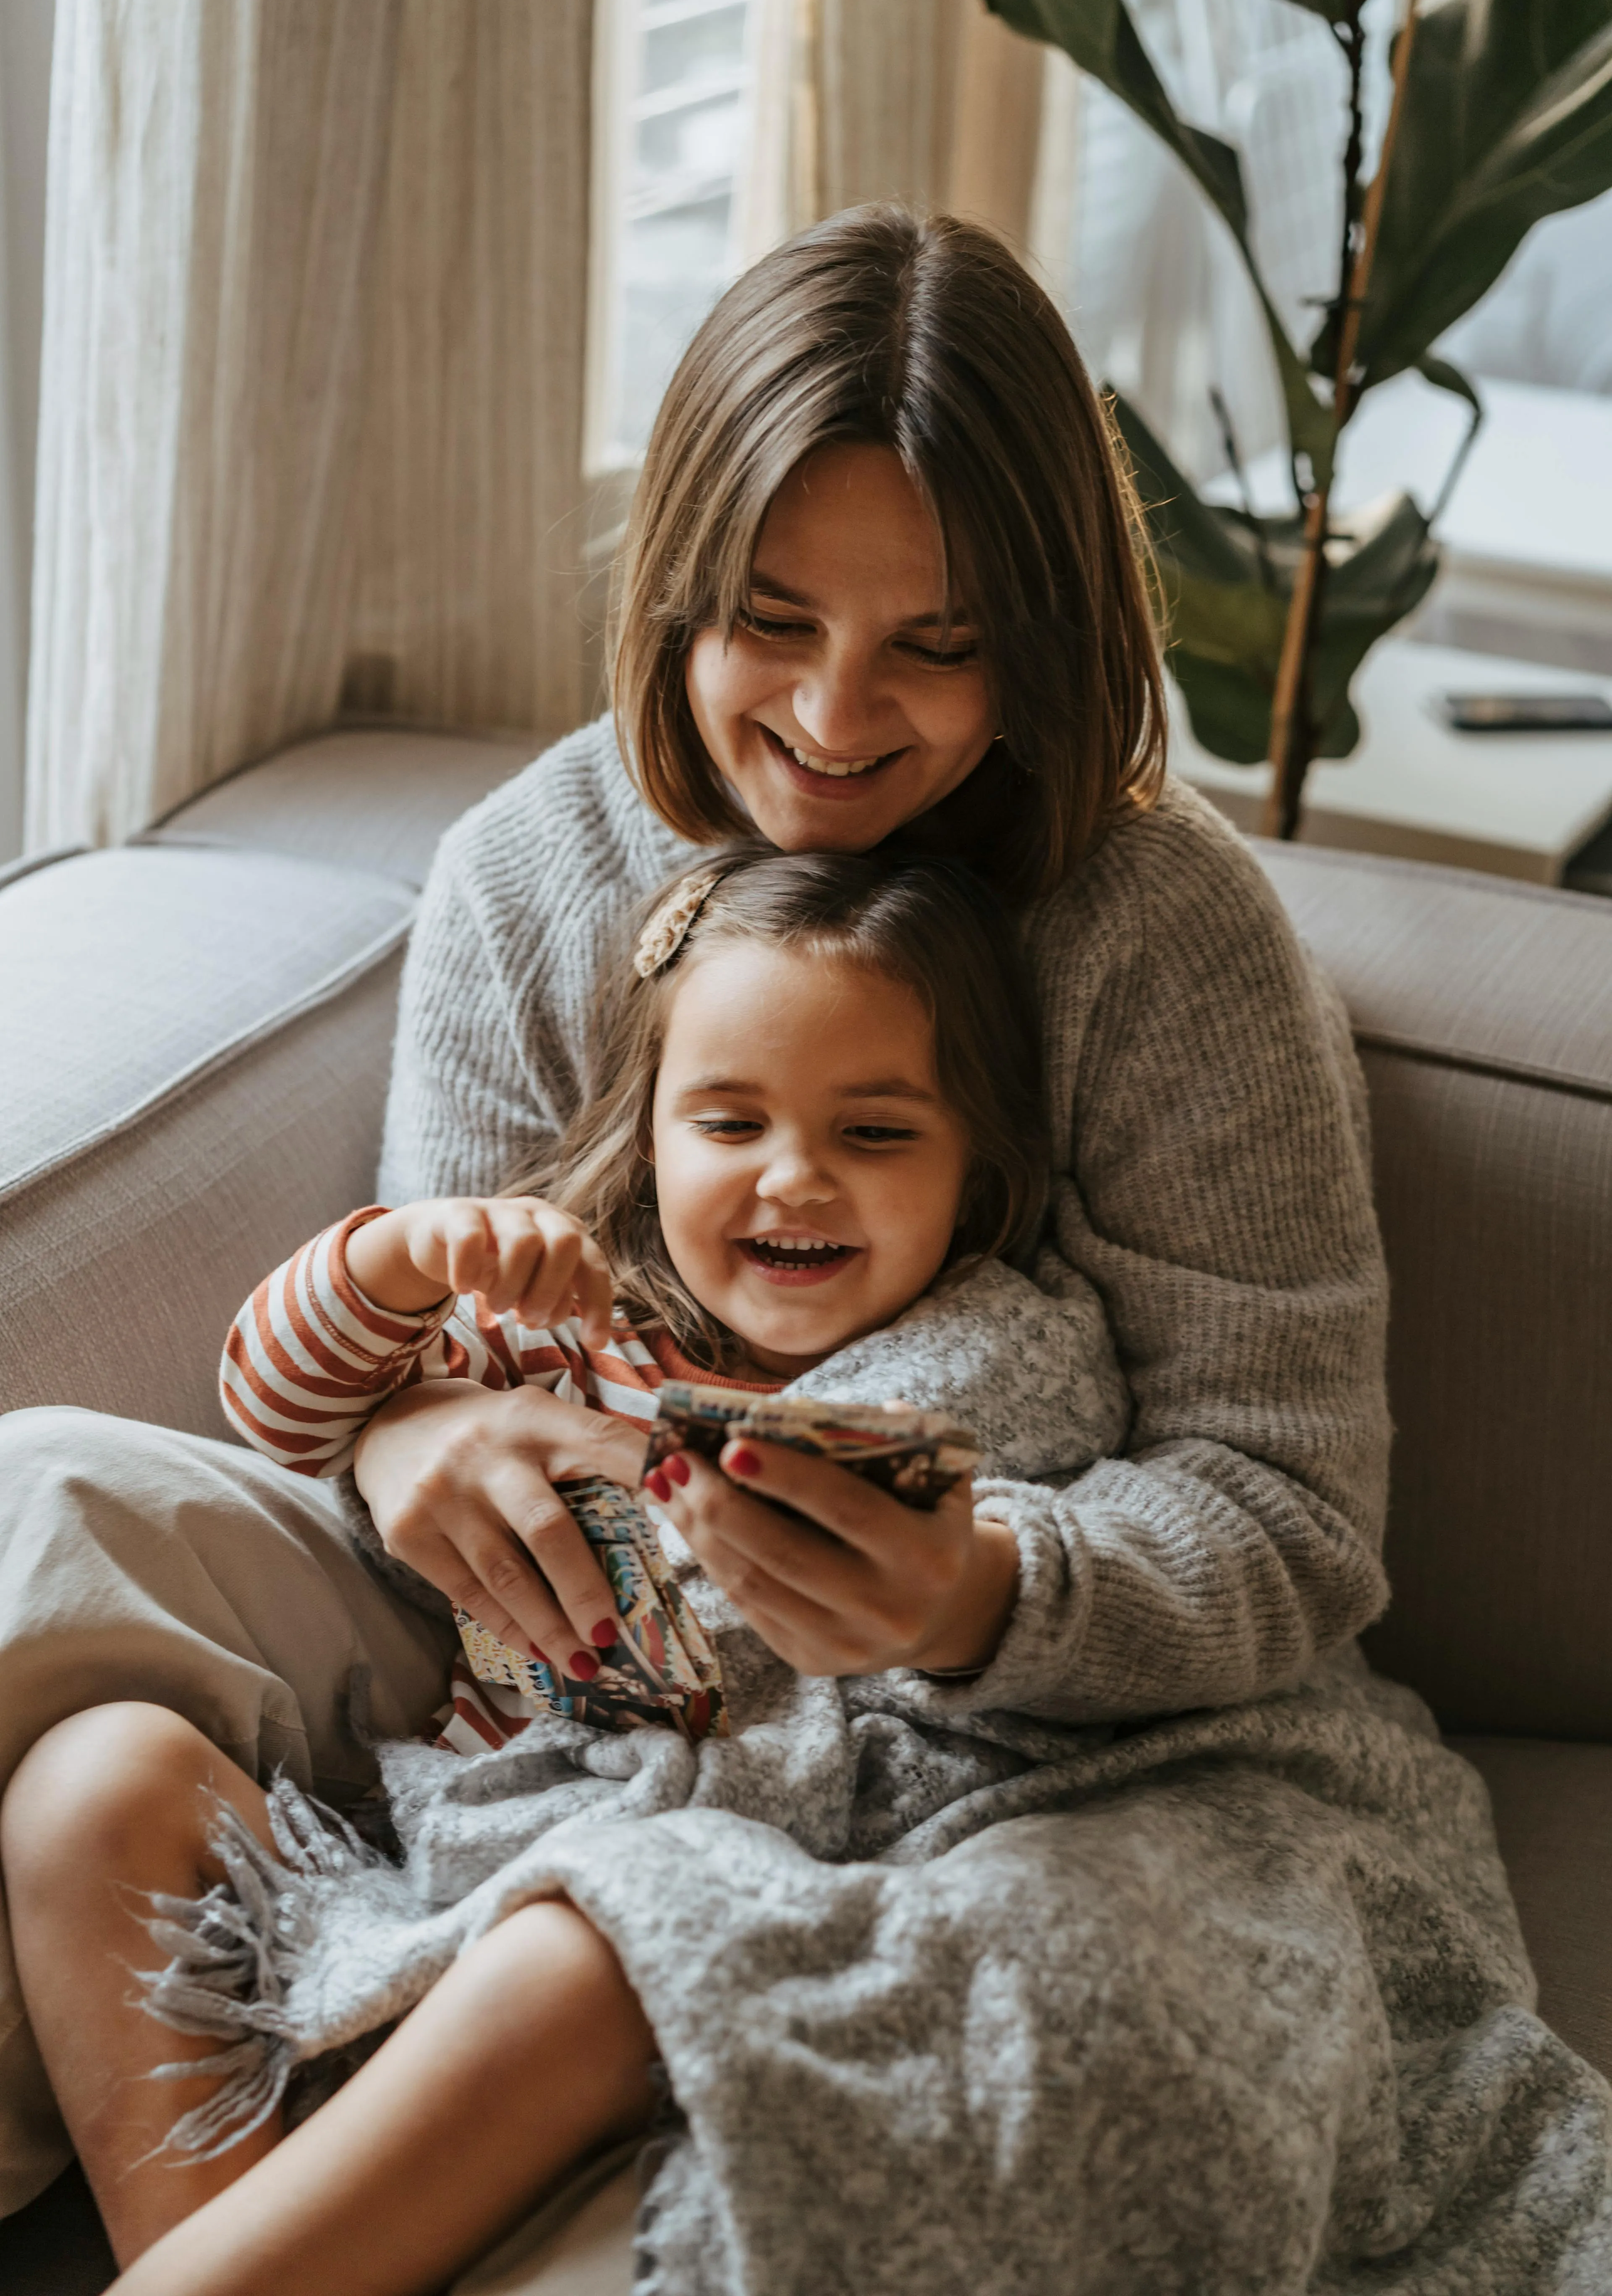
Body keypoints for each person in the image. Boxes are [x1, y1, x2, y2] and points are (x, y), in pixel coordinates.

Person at [0, 206, 1602, 2292]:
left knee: (1086, 2003)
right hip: (543, 1652)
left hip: (1045, 1747)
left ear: (1044, 637)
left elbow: (1291, 1520)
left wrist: (979, 1590)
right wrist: (411, 1440)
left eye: (938, 645)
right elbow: (406, 1303)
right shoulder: (534, 870)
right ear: (672, 588)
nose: (840, 720)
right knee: (42, 1509)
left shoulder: (1166, 937)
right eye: (771, 621)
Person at [7, 846, 1133, 2292]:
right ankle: (212, 2239)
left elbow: (978, 1651)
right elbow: (278, 1410)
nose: (797, 1176)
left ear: (978, 1168)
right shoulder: (567, 1326)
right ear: (649, 1138)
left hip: (663, 1889)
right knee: (95, 1779)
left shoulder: (994, 1363)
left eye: (875, 1134)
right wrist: (400, 1266)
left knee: (569, 1959)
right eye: (731, 1120)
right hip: (407, 1843)